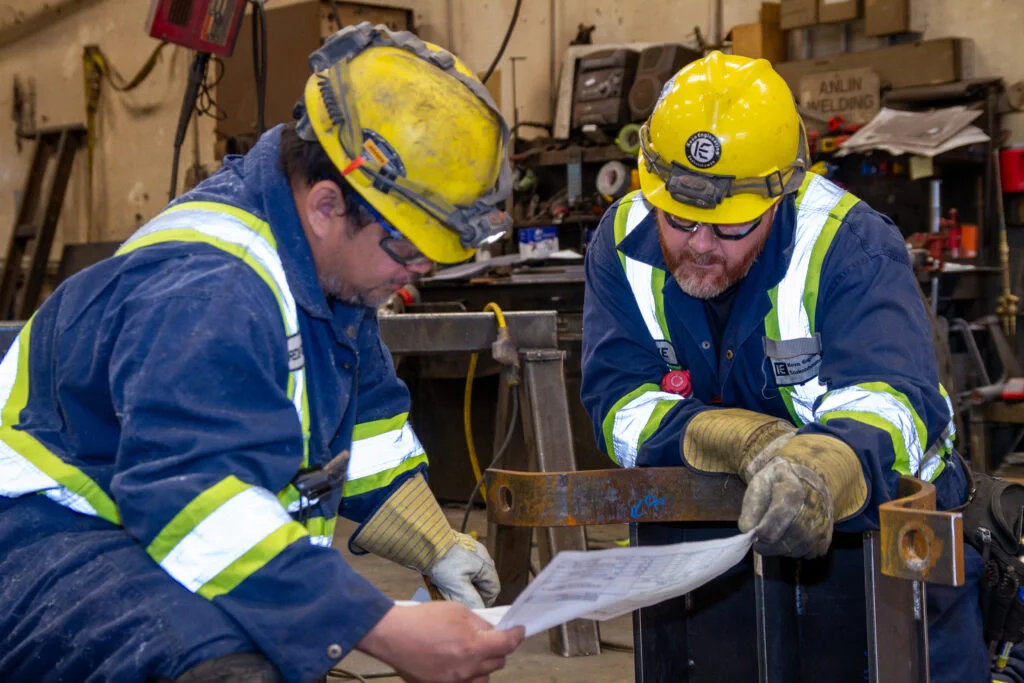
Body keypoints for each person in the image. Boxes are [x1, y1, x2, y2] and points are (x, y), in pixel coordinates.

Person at [0, 23, 523, 683]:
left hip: (127, 514)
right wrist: (382, 629)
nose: (412, 276)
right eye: (409, 250)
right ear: (329, 203)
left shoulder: (332, 274)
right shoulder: (214, 288)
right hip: (38, 535)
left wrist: (435, 540)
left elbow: (361, 435)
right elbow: (196, 499)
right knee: (226, 661)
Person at [580, 52, 990, 681]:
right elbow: (618, 400)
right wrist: (730, 438)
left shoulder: (851, 249)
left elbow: (894, 401)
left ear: (781, 193)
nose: (700, 246)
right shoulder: (621, 243)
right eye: (679, 219)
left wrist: (821, 470)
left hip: (880, 545)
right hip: (705, 545)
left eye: (730, 227)